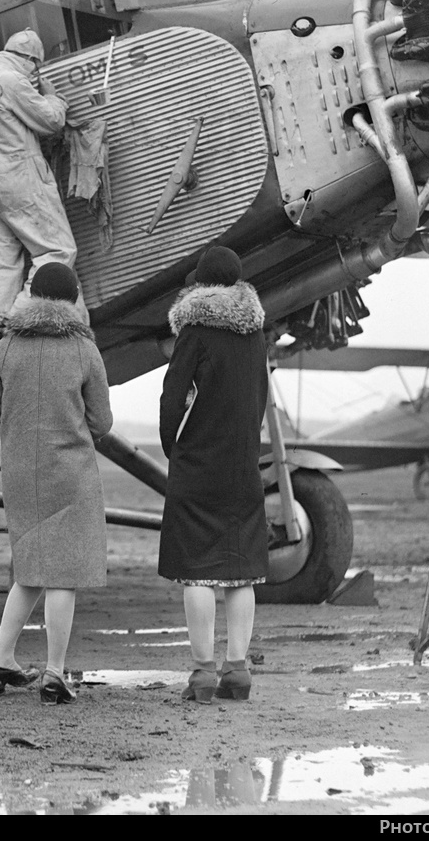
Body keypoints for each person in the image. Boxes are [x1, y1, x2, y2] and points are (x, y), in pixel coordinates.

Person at [0, 262, 112, 704]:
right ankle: (55, 672)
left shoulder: (6, 346)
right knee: (64, 573)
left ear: (31, 295)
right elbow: (103, 421)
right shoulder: (83, 349)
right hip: (70, 473)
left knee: (30, 568)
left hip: (19, 473)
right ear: (74, 299)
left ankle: (2, 658)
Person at [158, 246, 268, 703]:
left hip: (199, 462)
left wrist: (174, 448)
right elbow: (260, 396)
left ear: (200, 285)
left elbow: (173, 397)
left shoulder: (195, 331)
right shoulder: (255, 333)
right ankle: (238, 670)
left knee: (197, 571)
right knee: (240, 571)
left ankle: (203, 673)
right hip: (242, 464)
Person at [0, 29, 79, 326]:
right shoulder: (12, 79)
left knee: (1, 261)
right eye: (36, 65)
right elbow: (50, 121)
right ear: (29, 60)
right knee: (57, 250)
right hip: (20, 178)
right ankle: (15, 320)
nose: (36, 72)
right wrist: (55, 98)